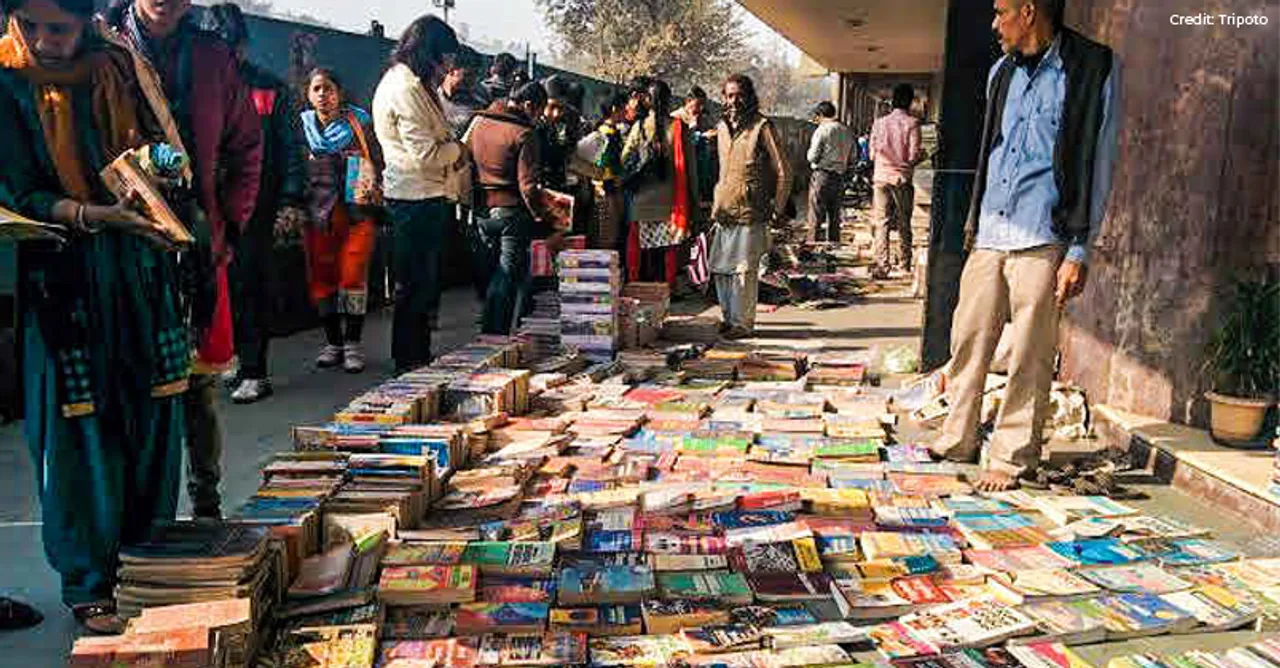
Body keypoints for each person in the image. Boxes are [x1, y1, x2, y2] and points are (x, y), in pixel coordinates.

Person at [1, 0, 194, 630]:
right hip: (62, 279)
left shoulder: (120, 70)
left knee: (153, 414)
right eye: (27, 26)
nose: (41, 41)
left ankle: (150, 565)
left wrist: (161, 180)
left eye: (57, 28)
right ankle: (90, 581)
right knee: (77, 430)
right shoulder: (6, 83)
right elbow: (17, 192)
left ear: (86, 23)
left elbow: (164, 150)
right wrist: (90, 215)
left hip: (139, 269)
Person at [930, 0, 1119, 492]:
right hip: (991, 228)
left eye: (1001, 11)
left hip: (1044, 232)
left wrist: (1080, 249)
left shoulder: (1091, 67)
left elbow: (1098, 163)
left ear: (1029, 11)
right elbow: (990, 151)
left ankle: (1012, 458)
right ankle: (958, 438)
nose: (994, 24)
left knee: (1030, 355)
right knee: (968, 340)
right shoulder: (1001, 72)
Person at [106, 0, 263, 522]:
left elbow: (246, 146)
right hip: (121, 241)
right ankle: (142, 519)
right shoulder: (101, 49)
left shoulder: (211, 57)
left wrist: (230, 224)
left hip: (199, 239)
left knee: (200, 386)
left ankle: (206, 505)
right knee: (133, 385)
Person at [206, 3, 307, 403]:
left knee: (249, 285)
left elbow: (289, 149)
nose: (228, 55)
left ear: (244, 47)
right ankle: (228, 359)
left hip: (255, 208)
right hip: (207, 208)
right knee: (216, 289)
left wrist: (289, 201)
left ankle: (254, 370)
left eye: (233, 46)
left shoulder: (268, 89)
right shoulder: (194, 89)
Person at [372, 14, 467, 373]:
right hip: (414, 196)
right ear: (429, 53)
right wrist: (459, 151)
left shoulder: (412, 82)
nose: (448, 67)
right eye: (445, 58)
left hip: (424, 194)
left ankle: (416, 356)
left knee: (421, 285)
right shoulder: (406, 88)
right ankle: (409, 360)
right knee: (413, 286)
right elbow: (426, 155)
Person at [301, 68, 382, 373]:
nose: (323, 95)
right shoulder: (301, 128)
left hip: (356, 213)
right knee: (322, 280)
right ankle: (333, 342)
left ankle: (352, 344)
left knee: (352, 277)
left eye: (329, 89)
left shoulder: (359, 124)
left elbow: (378, 158)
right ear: (308, 94)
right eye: (317, 89)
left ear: (340, 94)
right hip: (317, 215)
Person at [709, 74, 791, 339]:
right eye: (730, 95)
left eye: (739, 95)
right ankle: (728, 319)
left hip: (751, 210)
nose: (735, 101)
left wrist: (778, 209)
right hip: (724, 209)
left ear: (750, 96)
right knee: (721, 269)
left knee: (744, 271)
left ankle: (743, 325)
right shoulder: (721, 127)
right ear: (724, 98)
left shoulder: (762, 126)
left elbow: (783, 170)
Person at [468, 81, 551, 334]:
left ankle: (487, 329)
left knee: (490, 272)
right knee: (506, 276)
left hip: (481, 210)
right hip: (511, 213)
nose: (538, 118)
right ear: (528, 105)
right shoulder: (523, 133)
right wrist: (541, 214)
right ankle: (496, 336)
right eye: (538, 111)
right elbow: (528, 185)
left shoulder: (480, 124)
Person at [622, 78, 699, 287]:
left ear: (647, 100)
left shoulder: (639, 126)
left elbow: (624, 160)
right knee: (668, 253)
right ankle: (666, 293)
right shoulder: (679, 128)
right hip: (672, 202)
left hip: (643, 202)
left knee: (645, 255)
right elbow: (691, 170)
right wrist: (695, 201)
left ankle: (644, 293)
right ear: (668, 100)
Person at [868, 84, 924, 276]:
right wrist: (923, 156)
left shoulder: (879, 123)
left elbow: (872, 155)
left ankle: (882, 266)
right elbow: (912, 155)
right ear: (910, 102)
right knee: (903, 222)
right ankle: (904, 264)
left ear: (892, 101)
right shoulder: (912, 123)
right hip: (901, 179)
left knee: (881, 221)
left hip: (881, 178)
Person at [573, 90, 629, 252]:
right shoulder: (598, 137)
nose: (626, 111)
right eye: (623, 108)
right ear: (613, 109)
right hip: (602, 196)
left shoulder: (616, 134)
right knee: (604, 239)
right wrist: (597, 174)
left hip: (614, 193)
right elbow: (573, 160)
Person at [806, 101, 854, 244]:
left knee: (816, 214)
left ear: (820, 115)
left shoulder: (822, 130)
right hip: (839, 177)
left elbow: (812, 156)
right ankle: (834, 247)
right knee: (834, 215)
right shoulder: (846, 131)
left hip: (822, 175)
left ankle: (812, 246)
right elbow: (852, 157)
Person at [439, 51, 481, 136]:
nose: (472, 82)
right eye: (468, 75)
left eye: (476, 76)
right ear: (452, 70)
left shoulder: (477, 107)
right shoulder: (428, 97)